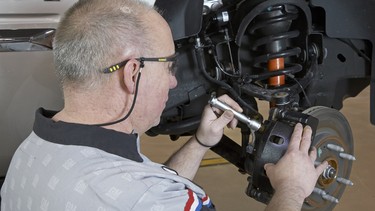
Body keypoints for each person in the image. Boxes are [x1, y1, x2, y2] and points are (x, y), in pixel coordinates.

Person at [0, 0, 328, 210]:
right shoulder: (154, 201)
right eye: (169, 66)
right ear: (133, 74)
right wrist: (292, 187)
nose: (173, 81)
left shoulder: (32, 151)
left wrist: (200, 142)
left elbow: (149, 180)